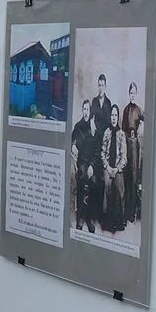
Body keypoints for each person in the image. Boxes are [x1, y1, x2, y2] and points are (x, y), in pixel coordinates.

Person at [70, 98, 97, 233]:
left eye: (88, 109)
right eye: (84, 109)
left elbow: (97, 150)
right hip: (81, 162)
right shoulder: (78, 127)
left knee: (94, 182)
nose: (86, 112)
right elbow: (73, 146)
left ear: (90, 111)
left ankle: (90, 218)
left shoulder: (93, 128)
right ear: (82, 111)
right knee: (81, 179)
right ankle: (80, 218)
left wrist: (92, 165)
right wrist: (74, 146)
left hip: (91, 163)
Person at [120, 82, 144, 224]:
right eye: (131, 92)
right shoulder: (125, 110)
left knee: (134, 177)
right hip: (126, 144)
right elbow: (122, 131)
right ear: (128, 94)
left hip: (135, 145)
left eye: (134, 92)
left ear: (136, 93)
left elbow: (146, 120)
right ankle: (126, 210)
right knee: (127, 177)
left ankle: (133, 211)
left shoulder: (139, 110)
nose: (132, 95)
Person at [99, 113, 127, 233]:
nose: (114, 117)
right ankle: (107, 221)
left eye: (116, 115)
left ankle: (118, 220)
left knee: (119, 188)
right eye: (112, 115)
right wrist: (108, 167)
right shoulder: (106, 132)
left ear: (118, 117)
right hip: (108, 168)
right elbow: (102, 153)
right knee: (107, 186)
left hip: (117, 169)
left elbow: (124, 157)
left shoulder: (121, 134)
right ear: (110, 117)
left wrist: (116, 169)